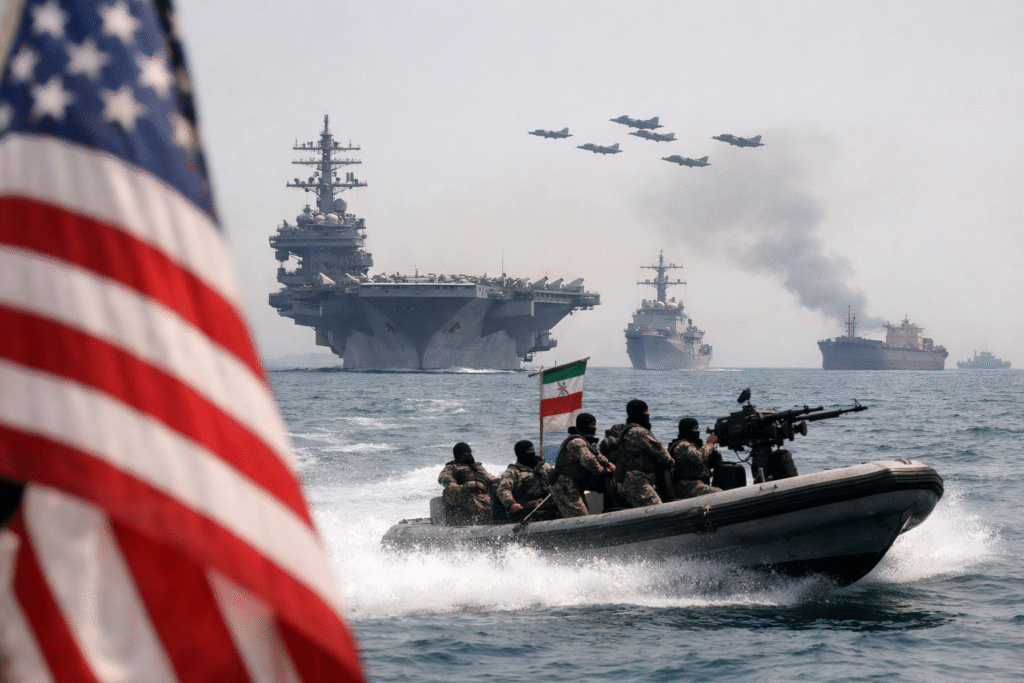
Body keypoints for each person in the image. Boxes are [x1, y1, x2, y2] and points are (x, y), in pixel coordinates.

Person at [549, 413, 615, 518]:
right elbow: (588, 460)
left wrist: (608, 463)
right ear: (584, 425)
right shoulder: (576, 442)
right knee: (581, 517)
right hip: (565, 487)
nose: (594, 428)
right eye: (591, 425)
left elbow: (596, 454)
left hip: (575, 486)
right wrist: (602, 469)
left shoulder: (584, 441)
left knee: (585, 513)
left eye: (594, 425)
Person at [615, 399, 674, 507]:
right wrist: (671, 461)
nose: (648, 414)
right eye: (646, 412)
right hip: (637, 482)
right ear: (639, 413)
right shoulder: (639, 432)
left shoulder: (626, 430)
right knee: (657, 509)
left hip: (629, 481)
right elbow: (658, 449)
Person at [496, 440, 560, 522]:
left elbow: (556, 478)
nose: (532, 453)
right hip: (528, 507)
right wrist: (512, 504)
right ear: (520, 453)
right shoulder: (512, 471)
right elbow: (502, 489)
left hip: (548, 501)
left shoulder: (543, 466)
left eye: (532, 450)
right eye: (528, 451)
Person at [438, 442, 498, 525]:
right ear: (458, 454)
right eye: (464, 453)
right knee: (449, 492)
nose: (468, 455)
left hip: (483, 496)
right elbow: (443, 477)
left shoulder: (479, 468)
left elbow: (491, 478)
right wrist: (452, 484)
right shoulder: (452, 467)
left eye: (469, 453)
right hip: (464, 494)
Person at [669, 418, 723, 499]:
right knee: (719, 493)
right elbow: (700, 457)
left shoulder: (693, 445)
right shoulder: (683, 445)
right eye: (695, 428)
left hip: (696, 485)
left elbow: (707, 461)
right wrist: (710, 443)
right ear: (686, 429)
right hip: (687, 486)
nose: (698, 431)